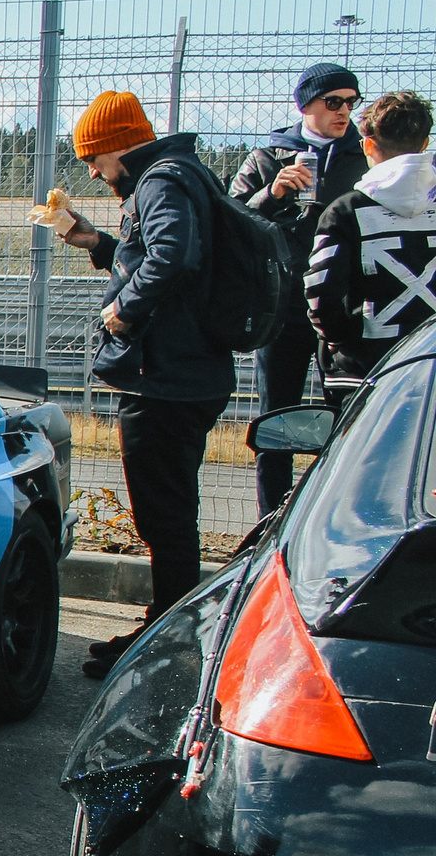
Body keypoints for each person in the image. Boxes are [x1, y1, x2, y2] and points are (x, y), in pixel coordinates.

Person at [52, 91, 232, 679]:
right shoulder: (179, 175)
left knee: (164, 515)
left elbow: (172, 256)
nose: (92, 172)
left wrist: (123, 310)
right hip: (185, 371)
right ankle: (166, 623)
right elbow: (161, 256)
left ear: (116, 145)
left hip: (165, 380)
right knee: (169, 512)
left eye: (93, 158)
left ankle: (169, 642)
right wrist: (100, 244)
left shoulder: (158, 181)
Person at [231, 61, 368, 511]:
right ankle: (270, 521)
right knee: (276, 421)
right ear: (305, 104)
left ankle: (336, 515)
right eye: (333, 102)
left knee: (347, 418)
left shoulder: (365, 157)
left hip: (340, 307)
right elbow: (232, 224)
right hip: (283, 308)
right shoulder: (267, 157)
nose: (344, 111)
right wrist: (272, 193)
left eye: (352, 102)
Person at [307, 90, 436, 411]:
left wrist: (346, 341)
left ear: (368, 145)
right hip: (431, 367)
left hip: (365, 372)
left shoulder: (345, 211)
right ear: (424, 144)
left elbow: (321, 297)